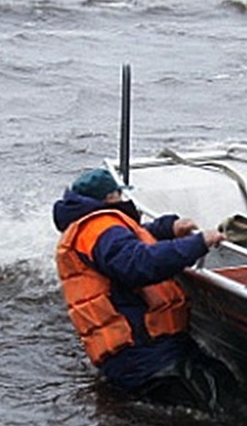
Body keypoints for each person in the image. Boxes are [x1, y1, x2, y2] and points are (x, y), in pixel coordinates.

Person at [53, 166, 233, 408]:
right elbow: (138, 263)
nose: (123, 199)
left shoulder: (90, 228)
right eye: (119, 194)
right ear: (110, 198)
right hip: (144, 354)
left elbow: (129, 241)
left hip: (143, 350)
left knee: (220, 382)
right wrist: (198, 243)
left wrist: (167, 229)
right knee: (226, 408)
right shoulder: (99, 228)